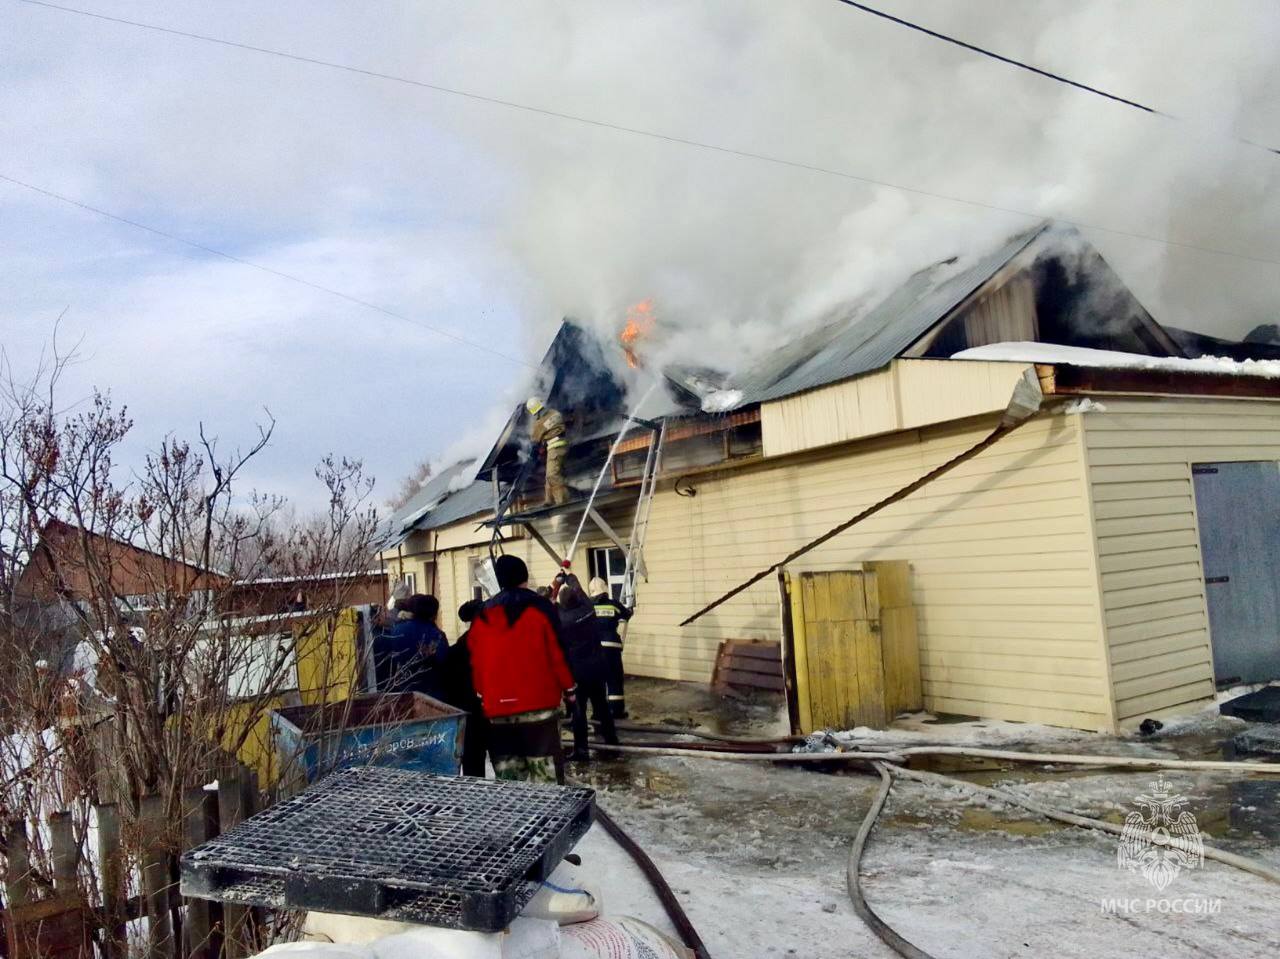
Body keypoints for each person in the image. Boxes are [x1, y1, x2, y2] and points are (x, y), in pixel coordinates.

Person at [467, 555, 576, 783]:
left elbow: (476, 661)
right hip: (539, 708)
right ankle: (549, 818)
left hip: (497, 712)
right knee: (545, 777)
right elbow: (557, 654)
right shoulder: (542, 609)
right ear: (525, 576)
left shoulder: (483, 615)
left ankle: (516, 818)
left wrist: (483, 693)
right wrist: (569, 689)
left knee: (510, 780)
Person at [557, 578, 619, 761]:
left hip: (578, 673)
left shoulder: (563, 619)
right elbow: (581, 591)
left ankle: (581, 750)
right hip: (597, 668)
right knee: (602, 707)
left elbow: (549, 605)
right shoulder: (589, 610)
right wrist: (569, 576)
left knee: (579, 712)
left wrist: (556, 584)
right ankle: (612, 742)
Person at [442, 599, 488, 777]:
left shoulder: (457, 649)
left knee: (473, 761)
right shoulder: (495, 641)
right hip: (493, 711)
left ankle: (475, 796)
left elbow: (450, 685)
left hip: (468, 713)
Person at [373, 593, 449, 698]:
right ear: (433, 614)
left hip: (401, 692)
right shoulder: (437, 635)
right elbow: (444, 662)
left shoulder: (396, 630)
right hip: (432, 694)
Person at [589, 577, 633, 719]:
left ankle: (598, 713)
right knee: (614, 678)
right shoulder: (614, 605)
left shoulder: (588, 606)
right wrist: (630, 609)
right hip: (612, 647)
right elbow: (626, 615)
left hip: (594, 648)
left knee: (597, 680)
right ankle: (617, 711)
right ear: (605, 588)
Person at [527, 397, 569, 506]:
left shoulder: (539, 423)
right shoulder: (555, 413)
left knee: (552, 475)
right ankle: (548, 500)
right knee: (549, 475)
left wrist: (532, 452)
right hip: (562, 444)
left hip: (554, 448)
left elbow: (535, 441)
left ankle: (562, 500)